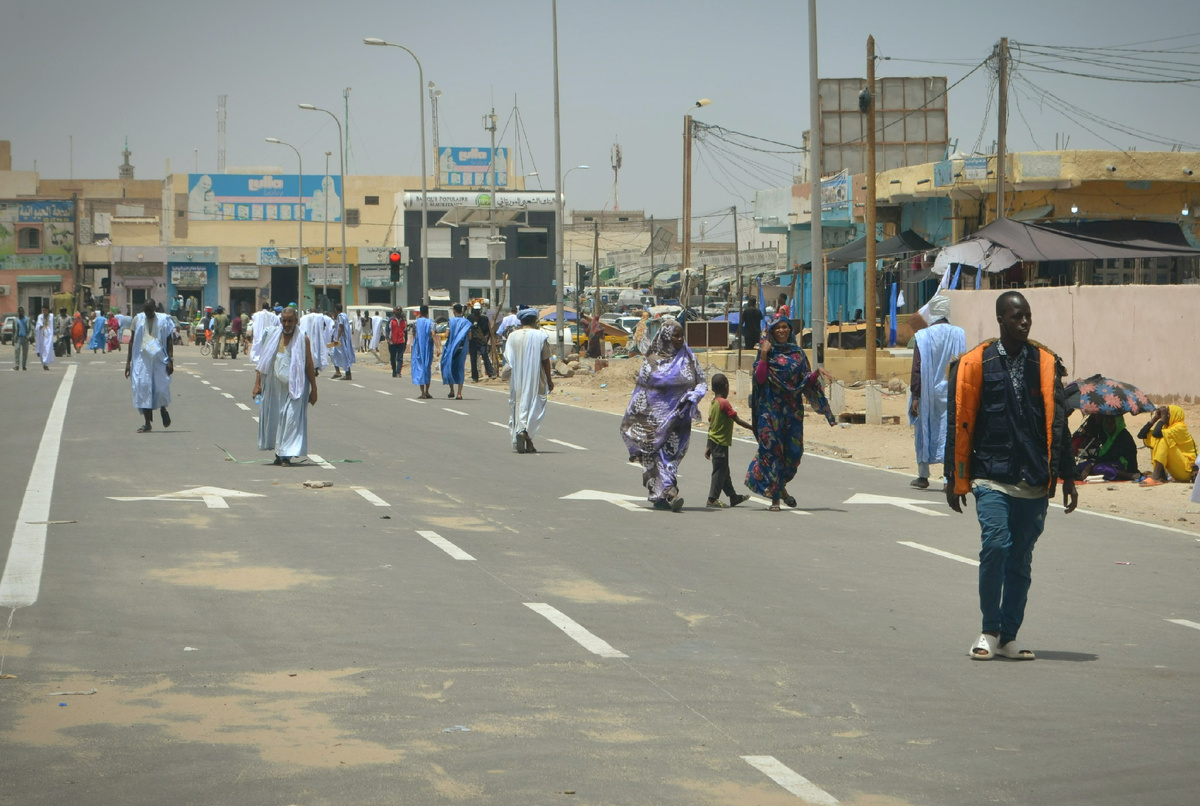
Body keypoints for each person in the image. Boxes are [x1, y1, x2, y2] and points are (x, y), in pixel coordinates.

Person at [945, 291, 1077, 661]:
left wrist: (1067, 477)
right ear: (1001, 319)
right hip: (991, 475)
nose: (1024, 322)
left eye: (1028, 316)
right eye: (1017, 317)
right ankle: (988, 630)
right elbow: (958, 423)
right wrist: (952, 478)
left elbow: (1060, 425)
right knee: (997, 546)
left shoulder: (1046, 363)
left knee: (1020, 560)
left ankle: (1008, 636)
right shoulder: (976, 363)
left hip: (1033, 478)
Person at [746, 314, 836, 510]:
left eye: (785, 327)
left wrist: (817, 373)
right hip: (769, 411)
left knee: (794, 454)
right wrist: (763, 356)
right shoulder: (766, 352)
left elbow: (803, 382)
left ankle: (780, 488)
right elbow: (759, 380)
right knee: (772, 452)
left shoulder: (798, 354)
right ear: (771, 331)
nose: (782, 330)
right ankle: (776, 498)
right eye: (777, 328)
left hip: (792, 411)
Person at [620, 320, 707, 512]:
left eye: (681, 335)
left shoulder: (688, 357)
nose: (679, 339)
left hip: (679, 418)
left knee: (671, 455)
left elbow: (701, 381)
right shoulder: (651, 360)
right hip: (652, 420)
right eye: (675, 335)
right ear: (666, 336)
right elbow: (641, 391)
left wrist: (694, 396)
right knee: (656, 456)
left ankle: (664, 492)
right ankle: (668, 490)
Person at [908, 295, 966, 489]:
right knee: (949, 432)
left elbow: (917, 367)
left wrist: (916, 396)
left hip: (927, 393)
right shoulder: (958, 334)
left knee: (925, 430)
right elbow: (963, 364)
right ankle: (949, 478)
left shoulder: (922, 336)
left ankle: (923, 476)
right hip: (951, 391)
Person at [252, 306, 318, 467]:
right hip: (274, 386)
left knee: (290, 419)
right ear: (280, 320)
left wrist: (314, 389)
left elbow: (309, 364)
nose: (287, 324)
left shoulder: (303, 338)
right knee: (276, 419)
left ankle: (286, 455)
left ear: (296, 321)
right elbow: (264, 362)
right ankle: (279, 453)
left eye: (290, 321)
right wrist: (257, 384)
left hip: (296, 386)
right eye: (284, 320)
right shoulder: (272, 335)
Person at [505, 307, 554, 453]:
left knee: (518, 405)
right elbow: (546, 360)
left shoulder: (512, 336)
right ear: (534, 320)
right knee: (535, 406)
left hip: (517, 379)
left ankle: (523, 434)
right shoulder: (540, 335)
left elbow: (508, 359)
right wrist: (550, 380)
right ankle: (525, 432)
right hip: (536, 378)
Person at [125, 299, 176, 433]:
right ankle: (147, 423)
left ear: (154, 308)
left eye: (150, 310)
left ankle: (163, 409)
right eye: (145, 310)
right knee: (143, 388)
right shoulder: (137, 320)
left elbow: (170, 341)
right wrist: (128, 363)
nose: (147, 313)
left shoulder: (164, 320)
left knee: (160, 388)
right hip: (142, 360)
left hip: (160, 359)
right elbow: (131, 342)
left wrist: (170, 360)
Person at [703, 373, 752, 508]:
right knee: (719, 471)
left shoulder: (713, 403)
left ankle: (733, 497)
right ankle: (712, 499)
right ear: (726, 387)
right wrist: (753, 428)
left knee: (724, 470)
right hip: (720, 443)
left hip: (714, 442)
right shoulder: (724, 403)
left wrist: (708, 446)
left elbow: (711, 425)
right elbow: (736, 419)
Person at [1138, 405, 1197, 485]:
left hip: (1188, 471)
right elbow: (1141, 435)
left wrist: (1162, 419)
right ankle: (1161, 475)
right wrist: (1155, 418)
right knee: (1157, 440)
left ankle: (1156, 476)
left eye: (1167, 414)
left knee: (1163, 439)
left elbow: (1156, 433)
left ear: (1174, 415)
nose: (1165, 416)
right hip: (1178, 470)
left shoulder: (1180, 428)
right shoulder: (1167, 428)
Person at [1075, 414, 1140, 482]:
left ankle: (1127, 475)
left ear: (1118, 423)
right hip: (1108, 461)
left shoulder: (1123, 437)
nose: (1109, 427)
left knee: (1098, 468)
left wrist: (1092, 464)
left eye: (1112, 423)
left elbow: (1110, 455)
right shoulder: (1108, 435)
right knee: (1080, 466)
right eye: (1107, 424)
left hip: (1123, 464)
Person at [440, 303, 471, 400]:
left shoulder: (451, 321)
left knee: (449, 366)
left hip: (451, 349)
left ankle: (451, 390)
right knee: (460, 368)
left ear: (454, 311)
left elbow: (447, 334)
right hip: (462, 349)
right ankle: (459, 393)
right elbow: (470, 336)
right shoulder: (467, 322)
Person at [298, 308, 332, 375]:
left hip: (308, 337)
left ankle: (310, 369)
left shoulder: (304, 318)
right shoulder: (320, 317)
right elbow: (324, 327)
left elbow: (300, 327)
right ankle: (315, 369)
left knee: (309, 353)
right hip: (316, 338)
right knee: (316, 353)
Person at [410, 304, 435, 398]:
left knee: (419, 368)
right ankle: (427, 391)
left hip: (418, 349)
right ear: (427, 312)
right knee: (427, 368)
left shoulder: (416, 322)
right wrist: (438, 347)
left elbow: (414, 334)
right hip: (428, 348)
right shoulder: (431, 322)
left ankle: (422, 392)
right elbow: (433, 334)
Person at [468, 302, 495, 382]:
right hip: (473, 341)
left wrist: (486, 339)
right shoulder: (470, 317)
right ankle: (475, 377)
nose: (477, 312)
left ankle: (491, 373)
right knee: (473, 359)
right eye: (475, 310)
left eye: (478, 310)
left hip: (481, 341)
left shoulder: (484, 318)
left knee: (484, 355)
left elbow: (488, 331)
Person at [329, 303, 355, 381]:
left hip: (341, 340)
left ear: (336, 309)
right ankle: (341, 372)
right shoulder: (345, 316)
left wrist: (337, 338)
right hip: (343, 339)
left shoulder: (340, 316)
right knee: (341, 355)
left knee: (334, 354)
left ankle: (344, 373)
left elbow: (341, 326)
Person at [386, 308, 407, 378]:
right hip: (392, 341)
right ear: (395, 312)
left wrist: (405, 342)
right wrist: (388, 339)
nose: (399, 312)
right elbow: (387, 330)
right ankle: (394, 370)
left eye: (400, 311)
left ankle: (398, 372)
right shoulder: (391, 320)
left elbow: (405, 332)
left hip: (401, 342)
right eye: (397, 310)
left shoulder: (404, 321)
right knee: (392, 357)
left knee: (400, 358)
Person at [34, 305, 55, 370]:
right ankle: (44, 363)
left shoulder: (51, 316)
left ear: (48, 310)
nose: (44, 311)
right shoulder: (40, 316)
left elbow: (52, 325)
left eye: (45, 310)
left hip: (49, 335)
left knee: (48, 348)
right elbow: (38, 324)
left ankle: (46, 363)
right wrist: (39, 327)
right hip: (41, 335)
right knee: (42, 349)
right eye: (43, 310)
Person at [11, 306, 30, 370]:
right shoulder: (15, 320)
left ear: (23, 312)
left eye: (22, 311)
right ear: (18, 312)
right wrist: (13, 340)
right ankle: (17, 366)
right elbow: (13, 330)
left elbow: (30, 329)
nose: (21, 312)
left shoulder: (27, 319)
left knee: (25, 353)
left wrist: (29, 337)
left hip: (25, 338)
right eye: (20, 311)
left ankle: (24, 366)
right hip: (18, 338)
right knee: (17, 351)